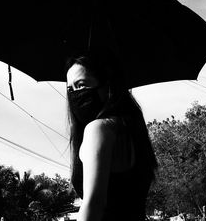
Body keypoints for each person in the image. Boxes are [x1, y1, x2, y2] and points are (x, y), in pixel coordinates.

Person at [65, 55, 157, 221]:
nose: (75, 94)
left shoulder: (98, 128)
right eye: (71, 89)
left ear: (107, 86)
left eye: (81, 85)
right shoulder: (131, 130)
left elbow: (93, 205)